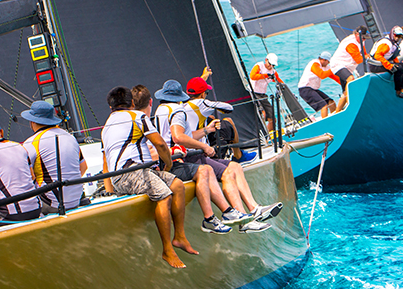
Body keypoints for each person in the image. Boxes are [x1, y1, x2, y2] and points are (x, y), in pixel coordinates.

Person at [155, 80, 282, 233]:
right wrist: (204, 146)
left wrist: (207, 130)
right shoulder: (178, 110)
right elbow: (178, 137)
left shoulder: (161, 109)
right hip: (187, 156)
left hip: (179, 155)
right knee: (228, 172)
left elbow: (184, 135)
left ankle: (254, 209)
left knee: (234, 166)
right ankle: (243, 220)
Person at [102, 86, 196, 268]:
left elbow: (105, 161)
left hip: (125, 176)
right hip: (131, 173)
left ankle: (180, 237)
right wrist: (168, 165)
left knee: (177, 185)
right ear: (132, 103)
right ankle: (167, 250)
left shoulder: (106, 126)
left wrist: (110, 190)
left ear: (110, 107)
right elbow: (160, 144)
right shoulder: (137, 116)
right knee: (165, 194)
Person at [21, 101, 88, 214]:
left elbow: (25, 177)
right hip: (77, 199)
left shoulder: (31, 143)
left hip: (54, 204)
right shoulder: (70, 137)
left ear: (32, 122)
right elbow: (83, 167)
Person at [0, 118, 41, 226]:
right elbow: (32, 176)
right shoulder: (20, 146)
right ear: (1, 132)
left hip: (12, 213)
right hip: (36, 207)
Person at [185, 70, 256, 164]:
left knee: (210, 117)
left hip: (186, 147)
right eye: (206, 92)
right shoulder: (204, 103)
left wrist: (203, 78)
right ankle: (238, 156)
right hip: (201, 150)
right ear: (202, 94)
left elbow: (194, 91)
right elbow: (229, 108)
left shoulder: (182, 104)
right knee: (228, 121)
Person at [329, 25, 369, 111]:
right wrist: (367, 57)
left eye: (365, 38)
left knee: (345, 91)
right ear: (357, 35)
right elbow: (358, 59)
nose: (364, 40)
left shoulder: (361, 40)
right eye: (363, 38)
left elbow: (364, 52)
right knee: (350, 78)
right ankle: (350, 103)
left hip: (348, 67)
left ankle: (338, 112)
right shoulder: (351, 43)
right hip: (338, 65)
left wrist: (367, 56)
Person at [368, 27, 403, 100]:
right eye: (396, 35)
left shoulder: (394, 44)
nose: (398, 38)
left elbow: (392, 55)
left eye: (400, 36)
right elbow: (377, 55)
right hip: (376, 65)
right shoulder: (386, 44)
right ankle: (398, 91)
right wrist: (389, 66)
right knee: (398, 69)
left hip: (382, 63)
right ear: (392, 34)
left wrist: (397, 63)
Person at [297, 51, 340, 117]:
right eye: (328, 62)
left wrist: (345, 84)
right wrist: (332, 70)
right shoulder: (315, 63)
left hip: (313, 89)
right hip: (305, 89)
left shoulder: (326, 67)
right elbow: (321, 75)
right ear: (324, 60)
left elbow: (336, 78)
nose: (328, 63)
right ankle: (326, 123)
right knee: (323, 106)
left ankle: (335, 118)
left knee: (331, 102)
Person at [249, 53, 283, 132]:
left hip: (263, 95)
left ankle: (268, 136)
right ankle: (260, 133)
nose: (271, 67)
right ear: (266, 60)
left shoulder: (273, 72)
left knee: (272, 118)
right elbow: (252, 76)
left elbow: (278, 80)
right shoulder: (259, 66)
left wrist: (284, 87)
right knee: (262, 114)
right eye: (270, 64)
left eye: (273, 65)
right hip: (253, 93)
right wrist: (266, 75)